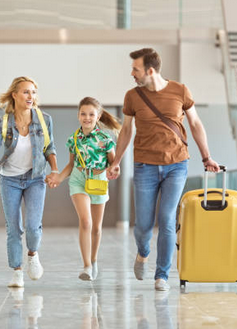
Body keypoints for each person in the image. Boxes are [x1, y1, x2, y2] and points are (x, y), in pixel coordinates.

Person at [107, 48, 220, 291]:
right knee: (143, 226)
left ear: (149, 70)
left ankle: (162, 275)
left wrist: (206, 157)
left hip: (176, 165)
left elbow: (195, 123)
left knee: (167, 219)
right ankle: (143, 252)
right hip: (145, 166)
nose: (132, 74)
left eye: (135, 69)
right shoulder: (132, 97)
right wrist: (116, 161)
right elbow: (127, 130)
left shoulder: (180, 90)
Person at [0, 76, 59, 288]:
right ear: (14, 95)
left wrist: (55, 170)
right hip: (10, 180)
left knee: (33, 227)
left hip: (36, 178)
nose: (30, 96)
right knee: (14, 228)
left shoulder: (44, 119)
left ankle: (32, 255)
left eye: (33, 92)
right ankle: (17, 271)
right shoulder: (2, 123)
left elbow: (49, 147)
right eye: (26, 92)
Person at [51, 97, 121, 281]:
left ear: (98, 117)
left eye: (91, 114)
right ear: (78, 115)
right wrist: (59, 177)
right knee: (86, 222)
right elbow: (71, 164)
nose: (87, 117)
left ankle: (94, 259)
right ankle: (86, 266)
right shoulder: (73, 139)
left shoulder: (106, 139)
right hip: (78, 180)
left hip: (98, 181)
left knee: (96, 228)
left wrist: (114, 169)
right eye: (83, 114)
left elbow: (113, 162)